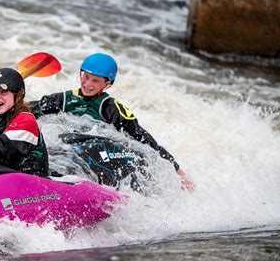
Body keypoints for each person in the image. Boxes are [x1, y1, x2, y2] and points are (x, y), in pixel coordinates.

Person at [30, 53, 194, 191]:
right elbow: (29, 110)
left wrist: (178, 171)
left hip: (95, 155)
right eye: (85, 77)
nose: (87, 84)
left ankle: (65, 184)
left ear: (107, 84)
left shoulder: (110, 108)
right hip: (65, 147)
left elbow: (142, 138)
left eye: (95, 81)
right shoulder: (62, 99)